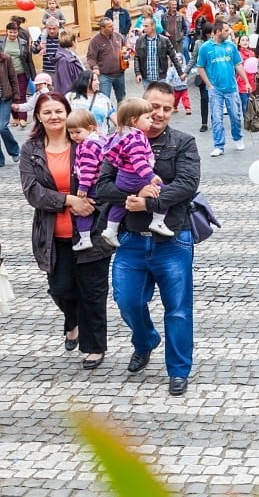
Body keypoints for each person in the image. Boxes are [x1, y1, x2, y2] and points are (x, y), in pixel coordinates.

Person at [96, 81, 201, 396]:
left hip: (173, 240)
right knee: (126, 301)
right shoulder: (119, 141)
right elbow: (101, 185)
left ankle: (178, 371)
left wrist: (149, 202)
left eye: (167, 109)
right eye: (154, 106)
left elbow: (186, 184)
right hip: (130, 238)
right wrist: (134, 192)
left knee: (179, 309)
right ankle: (145, 340)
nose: (160, 113)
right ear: (140, 106)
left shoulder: (183, 143)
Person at [20, 92, 112, 369]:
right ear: (38, 116)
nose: (54, 116)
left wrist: (94, 202)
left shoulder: (84, 141)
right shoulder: (31, 149)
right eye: (47, 112)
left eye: (59, 111)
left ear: (68, 111)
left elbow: (106, 174)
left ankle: (94, 347)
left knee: (93, 291)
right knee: (60, 289)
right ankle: (72, 320)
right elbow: (32, 191)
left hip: (91, 230)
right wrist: (68, 200)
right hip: (52, 233)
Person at [99, 97, 173, 245]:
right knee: (163, 192)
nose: (151, 120)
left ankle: (111, 229)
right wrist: (150, 176)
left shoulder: (121, 134)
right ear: (134, 121)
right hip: (135, 177)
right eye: (147, 118)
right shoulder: (136, 138)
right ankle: (158, 221)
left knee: (120, 205)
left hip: (123, 177)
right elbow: (138, 161)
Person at [196, 20, 245, 158]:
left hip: (231, 87)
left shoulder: (231, 46)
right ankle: (219, 145)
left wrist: (246, 81)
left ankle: (237, 137)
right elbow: (200, 67)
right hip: (215, 89)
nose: (228, 32)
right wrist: (209, 85)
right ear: (217, 31)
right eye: (226, 30)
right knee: (216, 118)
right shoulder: (205, 47)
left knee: (235, 115)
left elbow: (238, 65)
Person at [66, 109, 107, 251]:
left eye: (77, 132)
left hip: (92, 184)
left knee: (83, 209)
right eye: (71, 133)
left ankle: (84, 238)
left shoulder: (88, 145)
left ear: (90, 128)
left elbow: (88, 168)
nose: (74, 136)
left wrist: (83, 187)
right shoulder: (100, 140)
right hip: (100, 183)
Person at [86, 17, 129, 102]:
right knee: (104, 99)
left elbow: (125, 48)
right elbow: (91, 57)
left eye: (112, 25)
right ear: (102, 28)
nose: (113, 28)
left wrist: (126, 55)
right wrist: (95, 67)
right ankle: (107, 115)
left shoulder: (118, 36)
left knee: (122, 99)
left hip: (119, 74)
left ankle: (122, 114)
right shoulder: (95, 41)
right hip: (104, 75)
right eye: (110, 26)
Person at [5, 20, 35, 128]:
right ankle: (15, 117)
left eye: (15, 32)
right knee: (12, 95)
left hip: (21, 72)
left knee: (21, 95)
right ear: (6, 32)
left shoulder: (22, 42)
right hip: (6, 75)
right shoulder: (2, 43)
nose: (13, 34)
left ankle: (23, 118)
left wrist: (33, 75)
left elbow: (29, 60)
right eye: (11, 32)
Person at [134, 17, 182, 85]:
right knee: (149, 96)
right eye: (143, 26)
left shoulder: (164, 40)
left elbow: (173, 57)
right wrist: (138, 73)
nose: (144, 28)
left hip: (161, 78)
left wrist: (180, 73)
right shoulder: (139, 41)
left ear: (153, 26)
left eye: (146, 26)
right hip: (146, 79)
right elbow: (136, 57)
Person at [186, 22, 213, 133]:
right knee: (204, 99)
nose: (211, 34)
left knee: (215, 100)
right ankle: (204, 123)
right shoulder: (198, 43)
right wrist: (185, 72)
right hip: (202, 75)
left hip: (214, 75)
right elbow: (193, 58)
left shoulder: (217, 43)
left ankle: (215, 120)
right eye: (209, 32)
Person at [0, 44, 20, 167]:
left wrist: (16, 98)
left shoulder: (6, 59)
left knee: (2, 127)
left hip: (5, 99)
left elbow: (13, 78)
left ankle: (14, 150)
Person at [51, 31, 86, 96]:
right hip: (72, 98)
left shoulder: (72, 55)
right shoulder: (64, 60)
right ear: (73, 43)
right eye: (76, 40)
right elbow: (65, 84)